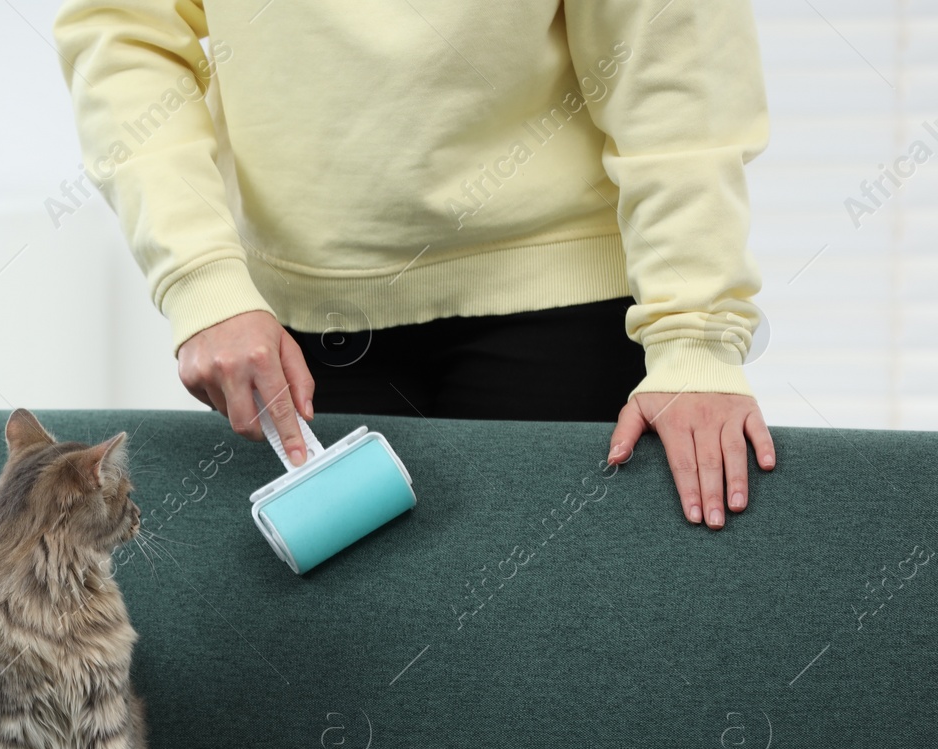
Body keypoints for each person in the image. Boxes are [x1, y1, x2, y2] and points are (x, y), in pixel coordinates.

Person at [53, 0, 775, 530]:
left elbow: (671, 56)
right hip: (291, 327)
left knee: (554, 665)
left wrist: (695, 334)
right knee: (335, 675)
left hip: (562, 308)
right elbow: (125, 32)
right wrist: (201, 281)